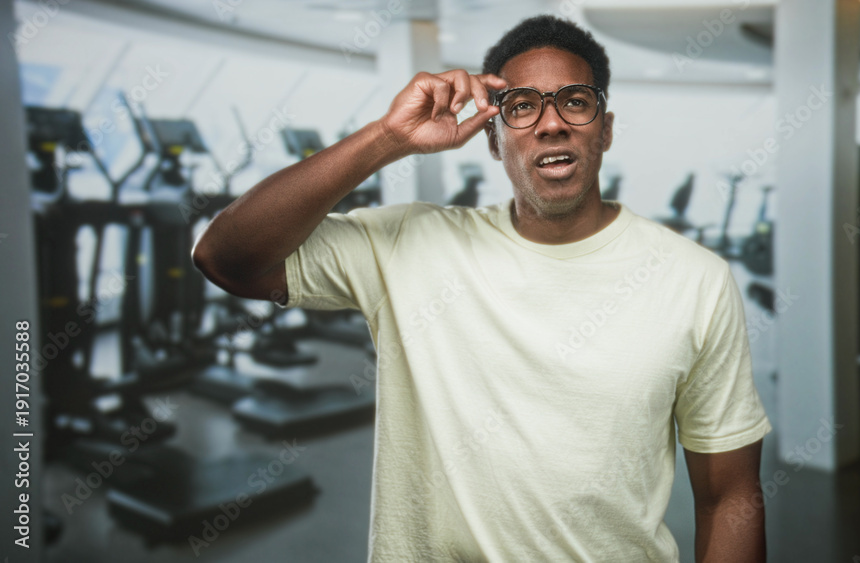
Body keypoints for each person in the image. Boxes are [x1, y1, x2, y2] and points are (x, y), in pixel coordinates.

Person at [193, 14, 771, 563]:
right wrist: (387, 138)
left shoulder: (696, 279)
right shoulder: (406, 245)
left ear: (606, 129)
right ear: (493, 140)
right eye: (521, 107)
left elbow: (730, 496)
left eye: (575, 101)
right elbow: (227, 258)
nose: (551, 122)